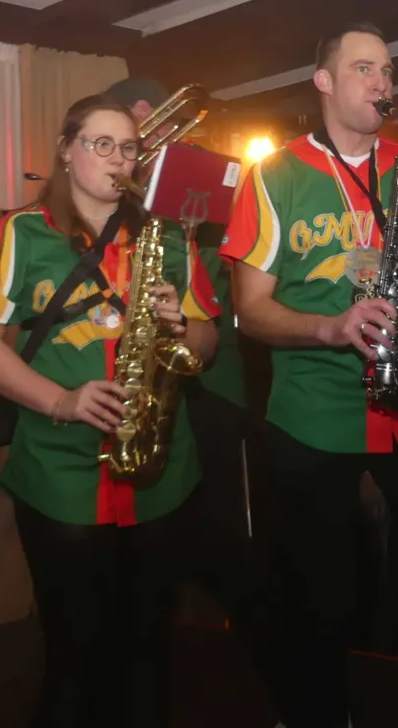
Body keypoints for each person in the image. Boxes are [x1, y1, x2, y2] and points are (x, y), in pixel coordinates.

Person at [220, 22, 398, 727]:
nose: (382, 82)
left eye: (388, 70)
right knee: (320, 601)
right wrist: (330, 327)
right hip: (315, 414)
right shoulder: (273, 176)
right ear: (324, 81)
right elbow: (250, 311)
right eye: (364, 68)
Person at [0, 94, 219, 728]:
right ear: (66, 152)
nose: (118, 159)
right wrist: (63, 401)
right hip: (59, 473)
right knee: (74, 655)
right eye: (101, 144)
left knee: (150, 648)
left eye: (129, 148)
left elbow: (207, 340)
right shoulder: (22, 232)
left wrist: (181, 327)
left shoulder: (167, 235)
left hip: (161, 471)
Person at [103, 75, 288, 720]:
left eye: (151, 126)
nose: (143, 140)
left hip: (210, 391)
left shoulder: (202, 192)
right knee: (142, 569)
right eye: (131, 130)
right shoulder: (106, 202)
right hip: (137, 395)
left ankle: (290, 695)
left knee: (231, 555)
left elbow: (238, 284)